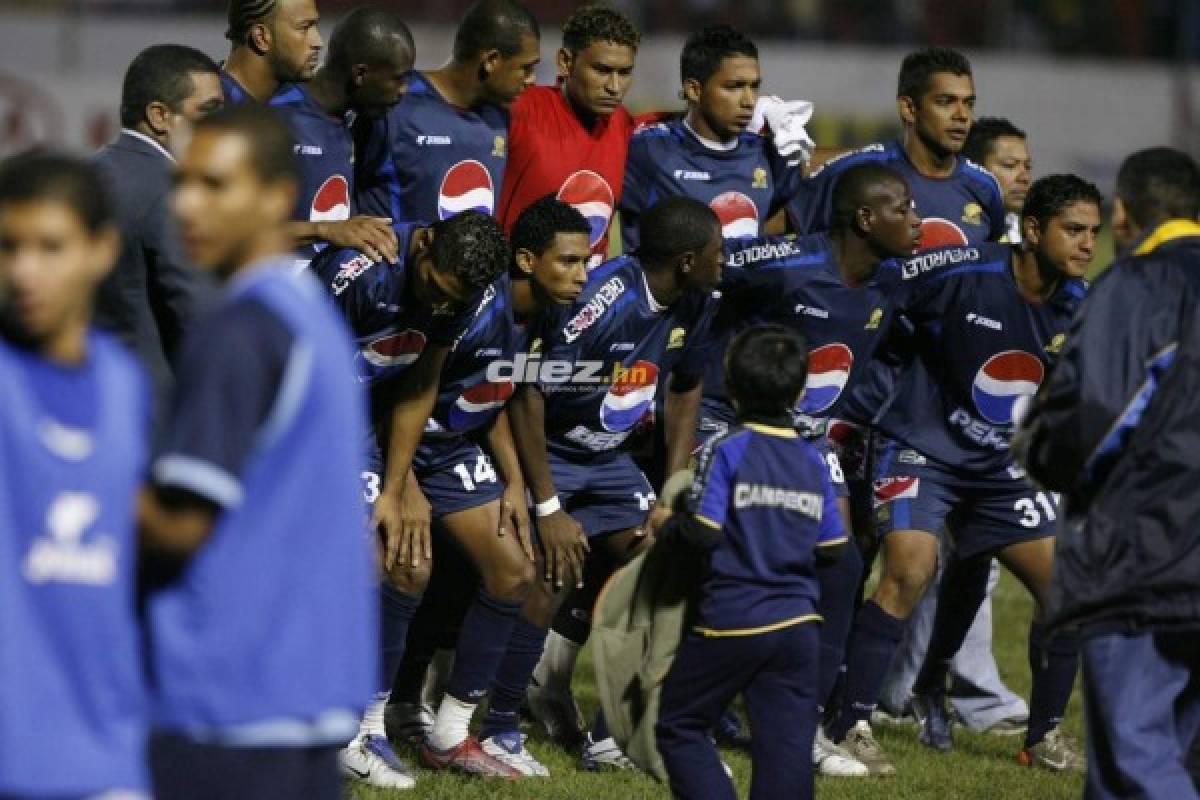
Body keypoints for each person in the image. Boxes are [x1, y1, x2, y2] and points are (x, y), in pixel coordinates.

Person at [824, 174, 1102, 776]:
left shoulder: (1080, 306)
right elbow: (872, 298)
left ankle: (1044, 736)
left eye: (1094, 233)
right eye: (1073, 230)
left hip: (1002, 465)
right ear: (1032, 231)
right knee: (909, 570)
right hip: (921, 446)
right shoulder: (958, 271)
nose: (1087, 245)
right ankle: (851, 722)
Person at [789, 46, 1028, 744]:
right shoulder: (862, 176)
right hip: (858, 390)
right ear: (909, 108)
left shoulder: (981, 190)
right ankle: (823, 693)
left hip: (930, 401)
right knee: (847, 546)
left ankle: (894, 690)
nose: (961, 115)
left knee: (925, 553)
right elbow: (811, 261)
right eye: (948, 102)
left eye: (968, 103)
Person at [139, 105, 376, 800]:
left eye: (215, 185)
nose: (186, 203)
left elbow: (184, 523)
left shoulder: (240, 328)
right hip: (307, 688)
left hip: (225, 692)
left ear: (276, 197)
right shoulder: (309, 316)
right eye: (182, 182)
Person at [700, 162, 921, 777]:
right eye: (903, 209)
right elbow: (702, 272)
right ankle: (660, 713)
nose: (917, 219)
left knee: (842, 564)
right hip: (731, 423)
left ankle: (802, 727)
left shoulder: (894, 280)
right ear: (864, 219)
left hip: (807, 439)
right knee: (711, 559)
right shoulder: (785, 262)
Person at [503, 196, 723, 769]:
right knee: (553, 573)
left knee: (667, 565)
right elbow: (527, 392)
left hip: (612, 462)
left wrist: (672, 494)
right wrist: (548, 506)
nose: (726, 261)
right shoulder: (600, 302)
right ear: (684, 260)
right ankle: (502, 723)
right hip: (550, 454)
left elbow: (684, 392)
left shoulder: (698, 302)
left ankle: (610, 736)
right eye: (716, 253)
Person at [1016, 147, 1200, 799]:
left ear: (1123, 214)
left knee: (1135, 760)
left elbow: (1091, 422)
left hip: (1146, 558)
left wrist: (1036, 447)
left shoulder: (1136, 286)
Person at [0, 152, 147, 800]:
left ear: (101, 249)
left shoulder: (123, 385)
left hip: (108, 756)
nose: (24, 270)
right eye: (8, 246)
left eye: (50, 247)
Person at [654, 324, 847, 800]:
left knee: (681, 725)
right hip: (800, 625)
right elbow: (834, 548)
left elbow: (704, 531)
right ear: (801, 390)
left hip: (732, 618)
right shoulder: (811, 459)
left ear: (731, 386)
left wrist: (666, 523)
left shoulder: (728, 448)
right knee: (786, 750)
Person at [93, 44, 221, 424]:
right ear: (161, 116)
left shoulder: (85, 176)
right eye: (209, 113)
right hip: (154, 416)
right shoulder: (174, 193)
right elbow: (198, 317)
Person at [356, 0, 540, 224]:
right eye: (526, 68)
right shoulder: (394, 104)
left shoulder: (501, 117)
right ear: (491, 60)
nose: (532, 80)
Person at [619, 25, 801, 249]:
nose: (749, 101)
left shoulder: (767, 153)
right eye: (734, 87)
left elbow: (787, 215)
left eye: (754, 87)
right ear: (694, 90)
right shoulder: (648, 151)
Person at [269, 7, 414, 268]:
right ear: (360, 74)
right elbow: (237, 231)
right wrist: (324, 230)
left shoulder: (360, 122)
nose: (404, 91)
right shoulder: (277, 117)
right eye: (398, 79)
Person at [496, 3, 641, 263]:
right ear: (565, 62)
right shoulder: (520, 110)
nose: (614, 87)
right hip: (518, 294)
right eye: (602, 70)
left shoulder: (623, 124)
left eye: (625, 73)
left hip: (587, 295)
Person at [221, 0, 323, 105]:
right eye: (304, 28)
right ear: (261, 37)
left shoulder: (304, 101)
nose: (319, 42)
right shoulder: (212, 111)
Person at [963, 117, 1033, 243]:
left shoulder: (1023, 233)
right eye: (1010, 165)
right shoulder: (950, 227)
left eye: (1027, 167)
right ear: (974, 169)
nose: (1025, 178)